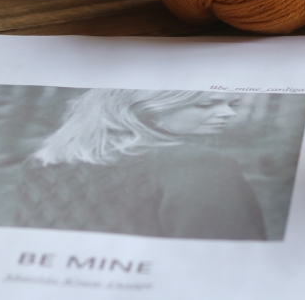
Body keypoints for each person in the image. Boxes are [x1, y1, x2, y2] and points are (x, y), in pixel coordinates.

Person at [15, 89, 268, 241]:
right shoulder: (199, 164)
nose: (229, 113)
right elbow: (223, 263)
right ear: (145, 110)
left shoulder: (42, 162)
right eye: (206, 104)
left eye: (231, 104)